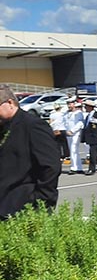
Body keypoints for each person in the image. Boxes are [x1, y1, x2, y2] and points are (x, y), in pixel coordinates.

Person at [0, 86, 61, 219]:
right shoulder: (3, 127)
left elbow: (50, 167)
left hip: (24, 206)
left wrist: (41, 203)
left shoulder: (33, 125)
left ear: (10, 103)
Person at [80, 98, 97, 175]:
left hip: (95, 137)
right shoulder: (88, 116)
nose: (85, 108)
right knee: (96, 152)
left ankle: (91, 169)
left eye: (86, 106)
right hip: (89, 137)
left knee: (92, 153)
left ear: (90, 107)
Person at [64, 99, 85, 174]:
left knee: (74, 150)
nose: (69, 106)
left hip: (75, 134)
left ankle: (75, 168)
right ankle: (77, 167)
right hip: (68, 134)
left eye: (71, 104)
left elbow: (80, 123)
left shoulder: (78, 113)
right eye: (68, 104)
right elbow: (65, 123)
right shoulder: (66, 113)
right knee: (72, 151)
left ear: (74, 104)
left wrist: (72, 131)